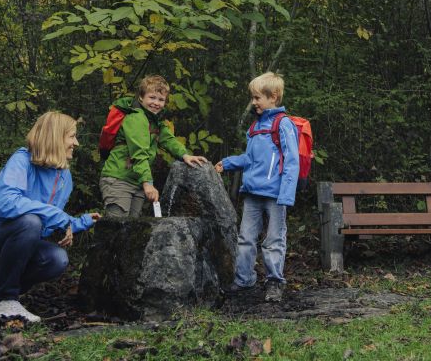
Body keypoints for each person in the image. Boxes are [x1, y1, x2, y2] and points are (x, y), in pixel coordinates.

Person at [0, 111, 100, 323]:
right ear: (55, 137)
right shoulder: (22, 160)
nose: (76, 143)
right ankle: (3, 299)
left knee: (57, 259)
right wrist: (58, 216)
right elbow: (5, 204)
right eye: (72, 136)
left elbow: (48, 220)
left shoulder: (64, 176)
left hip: (15, 247)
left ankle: (2, 295)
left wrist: (80, 222)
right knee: (30, 222)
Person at [215, 71, 299, 303]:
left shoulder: (283, 124)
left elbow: (292, 161)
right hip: (252, 192)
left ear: (273, 97)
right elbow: (250, 159)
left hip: (275, 195)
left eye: (257, 97)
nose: (253, 102)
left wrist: (286, 194)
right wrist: (227, 163)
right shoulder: (255, 126)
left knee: (273, 240)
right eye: (253, 97)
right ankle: (244, 280)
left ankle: (274, 282)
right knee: (245, 238)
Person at [100, 75, 209, 217]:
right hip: (119, 180)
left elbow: (168, 139)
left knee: (131, 228)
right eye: (152, 97)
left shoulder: (154, 121)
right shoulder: (136, 118)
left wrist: (185, 155)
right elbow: (139, 153)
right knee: (116, 227)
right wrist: (148, 183)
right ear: (141, 97)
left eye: (161, 99)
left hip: (137, 182)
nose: (156, 103)